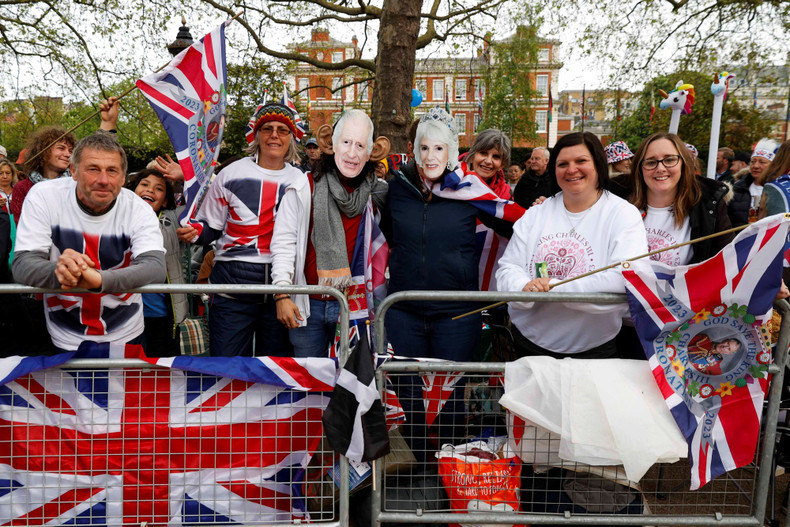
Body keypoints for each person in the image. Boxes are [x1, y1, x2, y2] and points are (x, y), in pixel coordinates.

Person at [382, 107, 517, 459]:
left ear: (454, 151)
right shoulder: (397, 188)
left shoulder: (470, 189)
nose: (431, 157)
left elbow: (519, 222)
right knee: (407, 393)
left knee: (452, 399)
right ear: (414, 150)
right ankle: (417, 471)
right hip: (403, 312)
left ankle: (452, 475)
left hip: (457, 316)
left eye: (439, 149)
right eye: (424, 148)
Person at [496, 132, 647, 358]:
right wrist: (524, 287)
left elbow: (625, 275)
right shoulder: (536, 214)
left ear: (598, 164)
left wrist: (556, 287)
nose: (571, 169)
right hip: (530, 342)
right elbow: (508, 267)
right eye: (563, 163)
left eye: (581, 161)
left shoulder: (622, 214)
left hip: (594, 348)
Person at [12, 132, 165, 352]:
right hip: (61, 335)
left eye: (112, 170)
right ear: (73, 171)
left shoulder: (138, 208)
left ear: (123, 178)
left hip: (127, 333)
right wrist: (60, 271)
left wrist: (100, 280)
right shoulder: (44, 196)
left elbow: (155, 266)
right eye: (93, 169)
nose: (103, 180)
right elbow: (23, 264)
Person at [177, 102, 305, 357]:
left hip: (282, 291)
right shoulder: (230, 174)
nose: (274, 135)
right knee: (228, 372)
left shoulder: (301, 180)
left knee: (275, 373)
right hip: (232, 291)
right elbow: (211, 227)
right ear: (256, 134)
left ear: (292, 137)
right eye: (267, 128)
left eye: (282, 130)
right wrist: (196, 231)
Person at [272, 109, 390, 357]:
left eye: (360, 145)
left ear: (371, 152)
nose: (351, 152)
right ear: (331, 144)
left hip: (354, 305)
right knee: (308, 384)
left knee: (349, 386)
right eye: (346, 142)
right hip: (308, 303)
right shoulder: (305, 185)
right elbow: (284, 244)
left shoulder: (378, 193)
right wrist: (281, 294)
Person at [628, 132, 734, 266]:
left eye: (670, 160)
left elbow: (727, 261)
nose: (660, 168)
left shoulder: (708, 206)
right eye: (650, 162)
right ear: (640, 168)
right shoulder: (619, 204)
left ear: (683, 164)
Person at [11, 97, 119, 224]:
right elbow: (24, 227)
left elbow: (98, 154)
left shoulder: (78, 182)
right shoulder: (23, 188)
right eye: (61, 148)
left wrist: (108, 123)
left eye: (71, 150)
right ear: (42, 150)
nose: (67, 154)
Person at [127, 168, 187, 357]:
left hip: (159, 315)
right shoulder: (114, 218)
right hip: (123, 314)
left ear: (166, 200)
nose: (150, 190)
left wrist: (184, 177)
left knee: (160, 374)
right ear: (131, 191)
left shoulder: (173, 221)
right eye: (144, 184)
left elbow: (205, 201)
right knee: (125, 371)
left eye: (159, 189)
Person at [728, 139, 778, 227]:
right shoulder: (737, 188)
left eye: (762, 162)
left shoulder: (778, 189)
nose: (755, 166)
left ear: (772, 166)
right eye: (753, 161)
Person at [465, 129, 512, 199]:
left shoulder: (506, 193)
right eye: (483, 153)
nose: (488, 161)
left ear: (502, 165)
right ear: (472, 156)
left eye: (496, 157)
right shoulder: (449, 181)